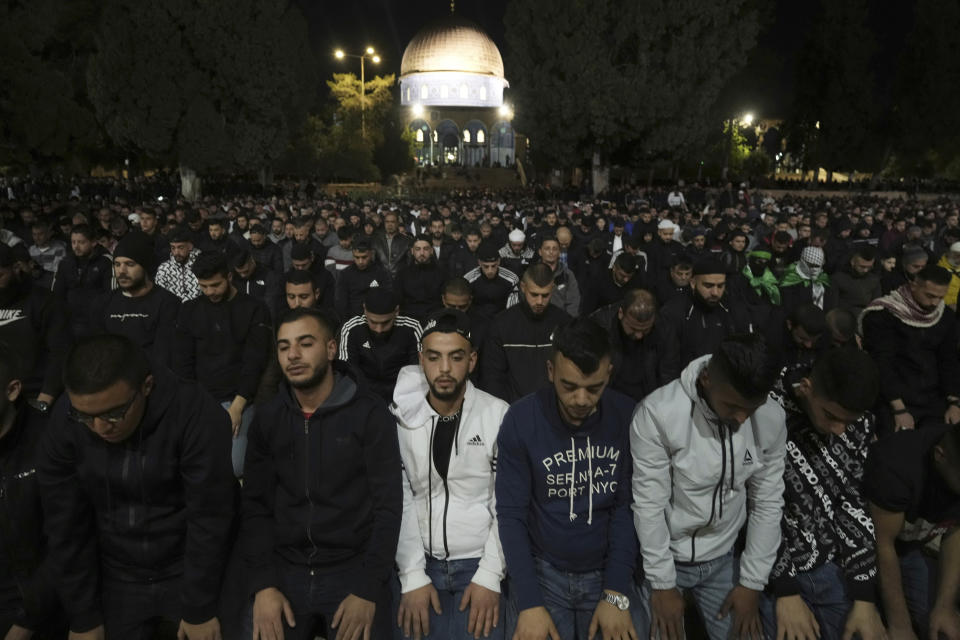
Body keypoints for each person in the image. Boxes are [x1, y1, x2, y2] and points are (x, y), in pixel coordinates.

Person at [38, 334, 236, 639]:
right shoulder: (65, 421)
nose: (100, 427)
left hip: (187, 566)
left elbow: (210, 517)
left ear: (146, 386)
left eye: (114, 413)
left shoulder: (194, 412)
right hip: (116, 573)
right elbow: (65, 526)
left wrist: (199, 607)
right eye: (85, 416)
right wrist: (84, 617)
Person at [241, 307, 402, 640]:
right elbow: (255, 507)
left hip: (352, 567)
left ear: (331, 349)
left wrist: (368, 588)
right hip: (285, 568)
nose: (293, 355)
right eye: (284, 347)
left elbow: (388, 509)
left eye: (305, 343)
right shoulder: (268, 419)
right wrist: (263, 585)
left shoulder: (370, 415)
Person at [496, 318, 645, 640]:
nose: (581, 400)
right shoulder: (521, 420)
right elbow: (511, 516)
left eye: (594, 388)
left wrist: (615, 591)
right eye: (569, 386)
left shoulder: (628, 416)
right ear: (551, 371)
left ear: (609, 374)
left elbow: (626, 509)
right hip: (542, 572)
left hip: (607, 570)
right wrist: (530, 602)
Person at [631, 333, 786, 640]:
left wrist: (752, 582)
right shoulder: (659, 413)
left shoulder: (772, 418)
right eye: (732, 405)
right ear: (706, 380)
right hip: (665, 558)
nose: (741, 418)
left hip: (724, 558)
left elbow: (767, 502)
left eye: (751, 408)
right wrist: (662, 584)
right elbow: (649, 505)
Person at [392, 309, 510, 640]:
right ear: (421, 360)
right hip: (420, 563)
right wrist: (412, 574)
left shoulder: (499, 415)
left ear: (472, 361)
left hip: (479, 562)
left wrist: (490, 575)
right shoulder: (403, 419)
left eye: (456, 357)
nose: (444, 369)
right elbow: (399, 499)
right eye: (434, 357)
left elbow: (508, 505)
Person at [762, 348, 887, 640]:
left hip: (831, 564)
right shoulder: (764, 406)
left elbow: (853, 503)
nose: (840, 430)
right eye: (831, 416)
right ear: (806, 388)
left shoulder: (860, 422)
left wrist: (864, 595)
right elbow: (756, 507)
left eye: (849, 422)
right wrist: (785, 589)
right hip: (771, 566)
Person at [173, 251, 272, 477]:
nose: (210, 292)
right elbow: (183, 363)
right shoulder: (189, 310)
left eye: (215, 285)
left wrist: (238, 405)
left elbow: (254, 361)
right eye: (204, 286)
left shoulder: (254, 309)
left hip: (239, 399)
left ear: (229, 277)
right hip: (200, 399)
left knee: (234, 467)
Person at [864, 424, 960, 640]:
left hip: (910, 547)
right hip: (864, 552)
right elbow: (882, 545)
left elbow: (955, 530)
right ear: (939, 456)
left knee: (938, 625)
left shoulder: (954, 465)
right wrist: (900, 625)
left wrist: (945, 607)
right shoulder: (896, 466)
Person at [0, 343, 65, 639]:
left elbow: (68, 544)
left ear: (12, 390)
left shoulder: (53, 444)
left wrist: (25, 623)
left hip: (40, 611)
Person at [860, 264, 960, 432]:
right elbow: (881, 363)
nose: (934, 303)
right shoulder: (883, 314)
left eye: (940, 298)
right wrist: (899, 409)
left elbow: (948, 360)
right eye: (929, 295)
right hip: (893, 399)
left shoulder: (945, 316)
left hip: (934, 398)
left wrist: (954, 402)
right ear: (914, 285)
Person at [480, 263, 571, 403]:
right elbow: (492, 377)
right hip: (512, 411)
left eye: (545, 295)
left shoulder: (565, 323)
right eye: (534, 294)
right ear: (523, 288)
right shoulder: (501, 324)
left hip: (555, 410)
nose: (539, 301)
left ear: (552, 289)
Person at [92, 231, 180, 369]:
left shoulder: (167, 302)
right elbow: (99, 349)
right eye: (117, 264)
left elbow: (163, 354)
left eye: (130, 264)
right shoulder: (104, 302)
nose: (121, 271)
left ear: (145, 267)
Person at [658, 258, 753, 377]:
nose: (715, 292)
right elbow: (668, 364)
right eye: (708, 286)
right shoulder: (673, 312)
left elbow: (744, 354)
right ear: (693, 283)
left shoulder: (734, 309)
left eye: (720, 286)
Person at [0, 244, 68, 410]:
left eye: (0, 275)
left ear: (16, 268)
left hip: (33, 396)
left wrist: (46, 397)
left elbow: (60, 352)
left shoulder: (44, 301)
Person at [589, 288, 678, 401]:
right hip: (607, 392)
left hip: (647, 396)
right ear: (621, 313)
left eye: (645, 330)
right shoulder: (601, 325)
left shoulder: (665, 329)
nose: (639, 336)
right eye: (633, 328)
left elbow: (668, 373)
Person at [338, 287, 422, 404]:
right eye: (373, 322)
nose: (379, 329)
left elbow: (418, 371)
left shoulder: (412, 328)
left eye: (385, 322)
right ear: (365, 310)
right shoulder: (352, 328)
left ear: (396, 311)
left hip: (403, 395)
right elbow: (348, 371)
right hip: (363, 394)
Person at [50, 224, 114, 339]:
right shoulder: (66, 263)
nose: (76, 246)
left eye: (81, 242)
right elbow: (57, 293)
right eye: (73, 242)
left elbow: (111, 293)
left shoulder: (106, 262)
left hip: (97, 321)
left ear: (93, 242)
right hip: (71, 320)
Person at [335, 239, 391, 320]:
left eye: (364, 257)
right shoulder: (345, 274)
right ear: (353, 254)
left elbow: (388, 298)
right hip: (352, 319)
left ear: (371, 254)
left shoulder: (382, 273)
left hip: (377, 318)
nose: (360, 261)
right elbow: (341, 303)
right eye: (357, 257)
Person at [463, 240, 519, 323]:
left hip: (502, 322)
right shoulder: (468, 279)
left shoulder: (512, 279)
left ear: (499, 262)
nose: (490, 271)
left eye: (493, 266)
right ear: (479, 263)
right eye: (486, 266)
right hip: (476, 322)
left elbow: (512, 310)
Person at [396, 237, 446, 323]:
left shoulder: (442, 274)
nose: (422, 253)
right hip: (408, 320)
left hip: (435, 319)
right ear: (412, 251)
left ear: (431, 251)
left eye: (426, 249)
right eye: (418, 249)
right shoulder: (402, 274)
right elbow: (397, 301)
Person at [579, 253, 645, 317]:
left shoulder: (637, 282)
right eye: (622, 276)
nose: (626, 280)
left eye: (629, 277)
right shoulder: (597, 282)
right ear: (614, 268)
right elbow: (587, 312)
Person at [231, 248, 282, 320]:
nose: (242, 275)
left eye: (246, 271)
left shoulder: (268, 275)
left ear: (252, 261)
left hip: (261, 319)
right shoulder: (234, 277)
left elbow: (271, 306)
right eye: (239, 273)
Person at [536, 235, 581, 317]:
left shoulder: (568, 275)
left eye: (554, 249)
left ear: (559, 253)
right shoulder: (532, 273)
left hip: (561, 324)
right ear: (540, 252)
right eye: (547, 248)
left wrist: (566, 325)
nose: (551, 252)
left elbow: (573, 303)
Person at [155, 227, 201, 302]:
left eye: (181, 247)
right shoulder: (164, 269)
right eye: (173, 248)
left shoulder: (202, 264)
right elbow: (159, 296)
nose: (176, 253)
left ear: (190, 246)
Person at [372, 210, 412, 278]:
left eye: (392, 222)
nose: (389, 224)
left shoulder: (406, 241)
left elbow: (410, 263)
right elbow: (372, 262)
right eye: (387, 222)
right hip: (381, 279)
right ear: (384, 223)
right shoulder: (376, 240)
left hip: (400, 279)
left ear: (397, 223)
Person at [937, 241, 960, 310]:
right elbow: (937, 292)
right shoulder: (939, 269)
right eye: (956, 255)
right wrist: (948, 304)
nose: (959, 259)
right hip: (949, 306)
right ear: (949, 254)